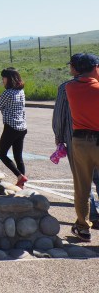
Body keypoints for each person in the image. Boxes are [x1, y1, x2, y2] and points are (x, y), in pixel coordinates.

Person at [53, 60, 99, 224]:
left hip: (76, 141)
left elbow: (59, 115)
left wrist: (58, 136)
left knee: (82, 185)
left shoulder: (67, 87)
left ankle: (86, 220)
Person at [0, 67, 28, 188]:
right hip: (22, 127)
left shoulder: (7, 92)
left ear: (9, 79)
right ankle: (21, 185)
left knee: (2, 154)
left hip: (11, 127)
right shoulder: (21, 91)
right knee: (18, 157)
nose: (2, 80)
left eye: (3, 78)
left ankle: (20, 176)